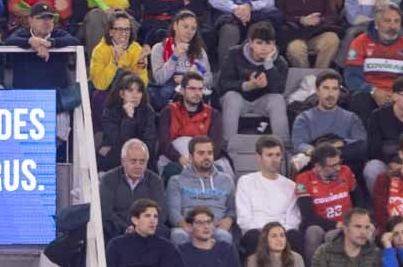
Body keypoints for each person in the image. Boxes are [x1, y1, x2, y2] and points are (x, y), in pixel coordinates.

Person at [218, 21, 289, 154]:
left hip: (262, 102)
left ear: (274, 44)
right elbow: (223, 84)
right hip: (239, 100)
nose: (264, 48)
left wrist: (269, 65)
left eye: (268, 43)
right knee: (231, 97)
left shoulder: (280, 62)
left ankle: (284, 147)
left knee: (277, 100)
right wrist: (248, 86)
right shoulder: (234, 54)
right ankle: (227, 147)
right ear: (250, 43)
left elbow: (279, 90)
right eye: (259, 43)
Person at [344, 3, 403, 125]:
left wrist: (396, 95)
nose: (392, 26)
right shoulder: (360, 42)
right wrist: (373, 91)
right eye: (387, 21)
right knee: (359, 99)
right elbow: (351, 77)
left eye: (396, 21)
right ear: (377, 24)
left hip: (397, 94)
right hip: (369, 93)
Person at [236, 138, 305, 255]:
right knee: (252, 237)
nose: (274, 160)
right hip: (257, 232)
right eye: (269, 155)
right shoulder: (245, 181)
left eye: (277, 155)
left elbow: (293, 219)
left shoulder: (291, 185)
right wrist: (268, 235)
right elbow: (244, 219)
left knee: (295, 237)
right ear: (258, 157)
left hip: (283, 233)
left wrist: (277, 235)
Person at [290, 71, 365, 175]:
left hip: (345, 163)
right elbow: (299, 144)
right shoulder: (304, 118)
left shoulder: (351, 118)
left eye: (335, 89)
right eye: (326, 88)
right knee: (300, 160)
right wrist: (319, 152)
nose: (330, 94)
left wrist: (340, 144)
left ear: (339, 91)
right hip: (316, 162)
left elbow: (361, 142)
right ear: (317, 91)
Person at [166, 137, 234, 244]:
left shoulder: (226, 180)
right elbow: (173, 211)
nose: (206, 157)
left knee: (224, 237)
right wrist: (185, 225)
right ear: (191, 157)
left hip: (216, 228)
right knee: (178, 236)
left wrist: (229, 220)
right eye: (201, 153)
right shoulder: (176, 181)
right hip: (188, 228)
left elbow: (232, 209)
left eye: (209, 153)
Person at [156, 70, 224, 176]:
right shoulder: (168, 111)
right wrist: (179, 158)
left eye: (200, 89)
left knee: (219, 172)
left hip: (205, 158)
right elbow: (164, 143)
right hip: (174, 158)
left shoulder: (213, 114)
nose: (197, 93)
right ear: (182, 90)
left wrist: (201, 160)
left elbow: (216, 144)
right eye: (192, 89)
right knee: (173, 171)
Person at [100, 142, 168, 238]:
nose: (138, 166)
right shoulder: (109, 178)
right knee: (105, 226)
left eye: (142, 162)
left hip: (146, 228)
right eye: (133, 161)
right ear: (123, 161)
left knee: (163, 231)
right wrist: (126, 228)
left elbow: (162, 212)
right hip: (118, 229)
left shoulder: (155, 180)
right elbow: (106, 211)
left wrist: (141, 228)